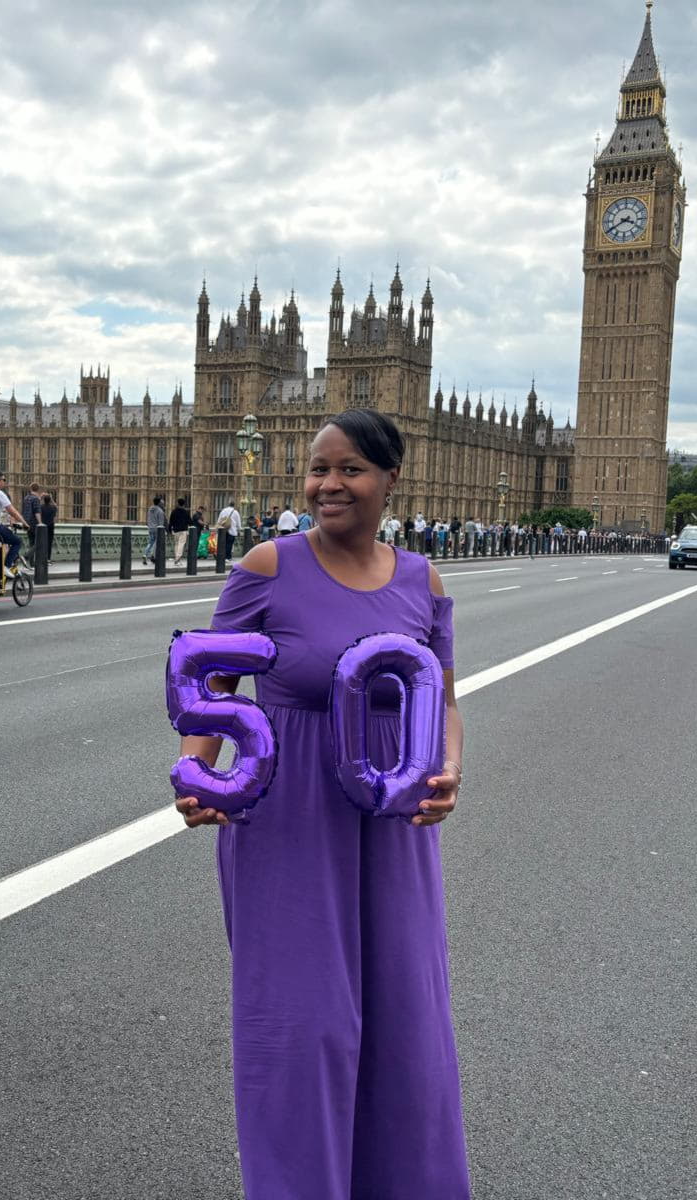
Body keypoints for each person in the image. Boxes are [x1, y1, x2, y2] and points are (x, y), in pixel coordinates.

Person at [175, 408, 469, 1199]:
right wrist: (197, 771)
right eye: (318, 469)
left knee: (404, 1021)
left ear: (390, 479)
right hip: (289, 817)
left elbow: (444, 701)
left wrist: (448, 770)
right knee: (303, 1028)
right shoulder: (269, 565)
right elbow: (212, 684)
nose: (328, 484)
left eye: (350, 470)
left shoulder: (423, 581)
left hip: (394, 823)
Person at [23, 483, 45, 559]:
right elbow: (37, 511)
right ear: (38, 489)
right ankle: (26, 556)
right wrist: (40, 523)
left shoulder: (26, 498)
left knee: (31, 543)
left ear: (30, 489)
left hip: (26, 522)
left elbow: (24, 510)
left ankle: (31, 563)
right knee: (39, 542)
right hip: (34, 523)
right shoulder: (35, 499)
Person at [169, 496, 193, 564]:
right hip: (183, 530)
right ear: (184, 504)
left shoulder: (174, 511)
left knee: (176, 544)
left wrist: (169, 530)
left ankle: (176, 558)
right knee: (181, 544)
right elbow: (190, 522)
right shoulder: (185, 512)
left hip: (176, 530)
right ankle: (178, 557)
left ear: (178, 503)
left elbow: (171, 521)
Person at [145, 495, 167, 565]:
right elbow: (161, 523)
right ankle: (153, 556)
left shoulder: (150, 509)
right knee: (156, 543)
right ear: (159, 503)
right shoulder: (160, 511)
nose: (163, 504)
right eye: (162, 503)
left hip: (150, 528)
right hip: (157, 529)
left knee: (150, 542)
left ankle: (145, 554)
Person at [40, 492, 58, 562]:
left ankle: (42, 557)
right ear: (49, 500)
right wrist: (52, 499)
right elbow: (56, 506)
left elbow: (36, 506)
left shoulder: (41, 507)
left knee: (42, 542)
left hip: (43, 526)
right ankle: (48, 558)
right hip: (51, 526)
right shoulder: (53, 507)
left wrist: (41, 497)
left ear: (44, 500)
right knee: (49, 543)